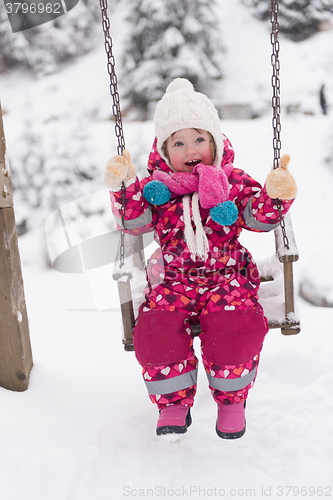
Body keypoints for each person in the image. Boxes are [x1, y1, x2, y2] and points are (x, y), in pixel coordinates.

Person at [104, 78, 297, 439]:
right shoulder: (157, 190)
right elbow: (135, 222)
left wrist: (276, 195)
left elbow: (257, 217)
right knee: (155, 329)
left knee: (236, 327)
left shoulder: (232, 180)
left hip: (229, 276)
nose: (190, 148)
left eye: (199, 139)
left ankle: (231, 401)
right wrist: (124, 186)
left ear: (214, 142)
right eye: (178, 142)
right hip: (173, 279)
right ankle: (173, 403)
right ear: (164, 151)